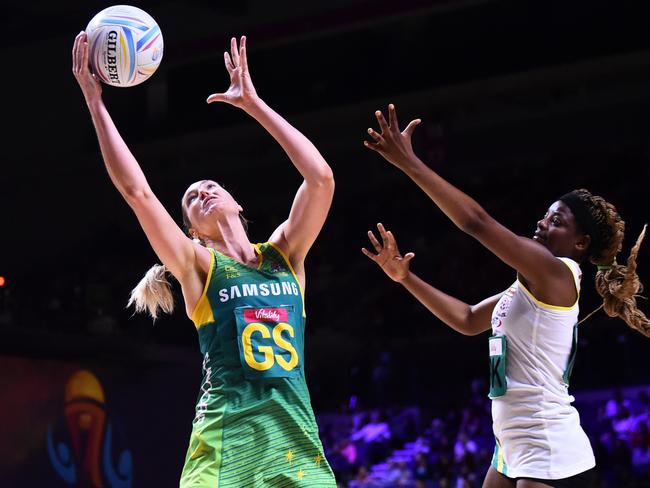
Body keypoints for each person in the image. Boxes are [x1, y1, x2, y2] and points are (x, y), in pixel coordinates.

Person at [72, 33, 337, 487]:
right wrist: (96, 103)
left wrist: (253, 105)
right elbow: (137, 193)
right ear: (193, 232)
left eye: (211, 186)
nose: (203, 191)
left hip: (294, 441)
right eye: (192, 197)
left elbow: (321, 178)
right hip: (224, 443)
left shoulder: (285, 255)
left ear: (238, 203)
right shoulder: (199, 267)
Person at [361, 104, 649, 487]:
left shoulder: (556, 274)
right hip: (511, 444)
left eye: (557, 221)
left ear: (580, 243)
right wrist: (405, 278)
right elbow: (466, 319)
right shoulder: (529, 286)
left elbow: (475, 222)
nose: (542, 223)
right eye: (546, 216)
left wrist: (410, 163)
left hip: (547, 446)